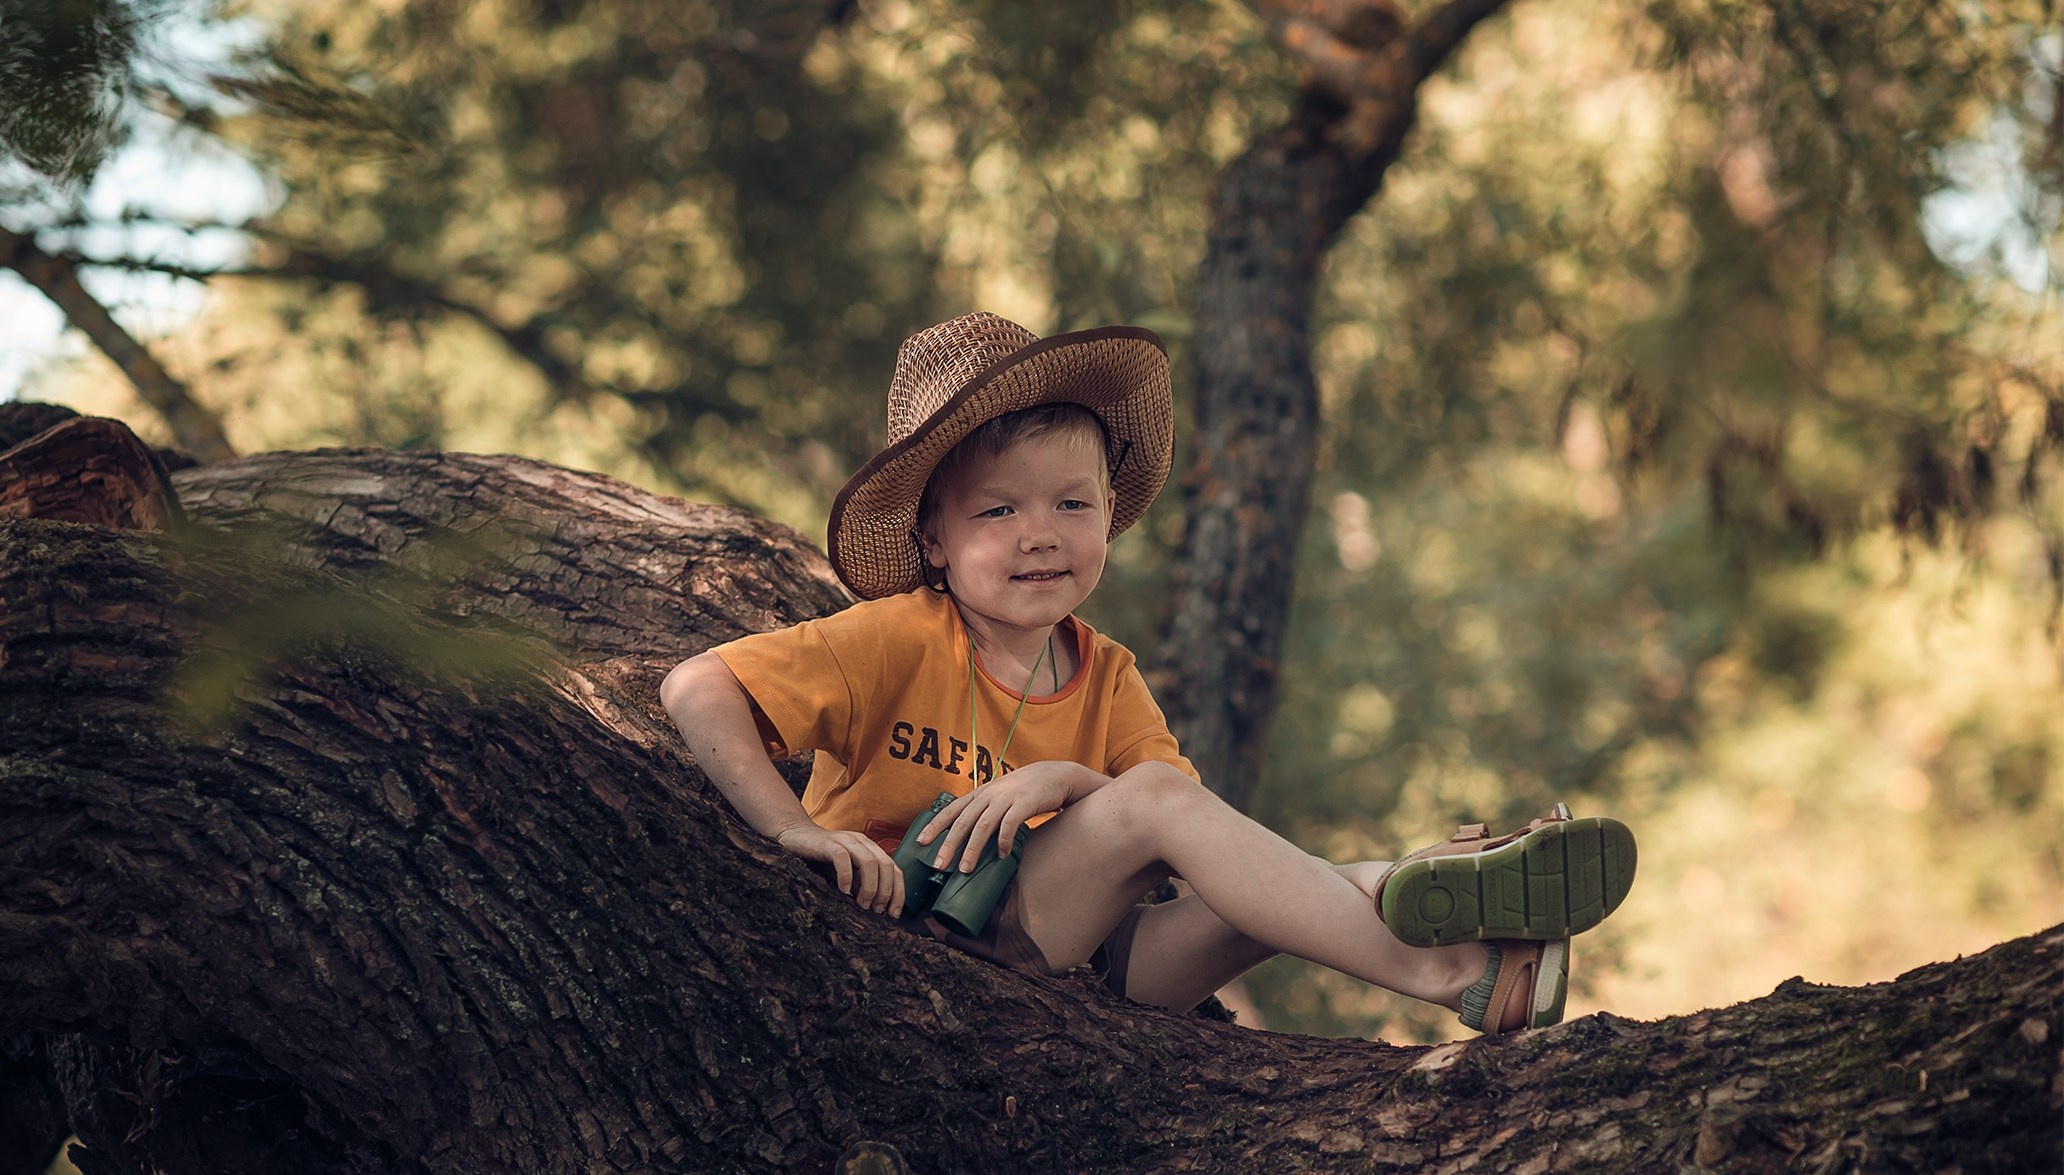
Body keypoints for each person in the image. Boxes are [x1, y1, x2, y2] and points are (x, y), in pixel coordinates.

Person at [659, 313, 1635, 1035]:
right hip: (923, 935)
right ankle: (1447, 972)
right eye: (997, 511)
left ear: (1107, 514)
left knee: (1274, 894)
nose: (1040, 533)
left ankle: (1461, 920)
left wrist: (1062, 780)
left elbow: (1186, 845)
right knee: (1163, 802)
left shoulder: (1107, 673)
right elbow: (695, 686)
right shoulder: (896, 636)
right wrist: (791, 829)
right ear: (933, 541)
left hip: (1091, 958)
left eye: (1071, 503)